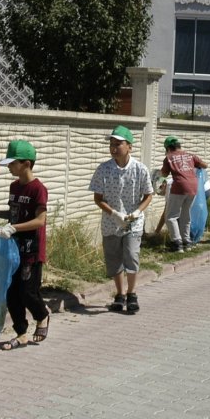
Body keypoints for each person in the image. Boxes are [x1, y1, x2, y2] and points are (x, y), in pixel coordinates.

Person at [0, 140, 50, 350]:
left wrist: (13, 228)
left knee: (28, 292)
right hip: (13, 249)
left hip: (32, 250)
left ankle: (42, 316)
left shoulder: (38, 189)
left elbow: (40, 220)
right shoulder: (14, 187)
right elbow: (14, 214)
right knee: (12, 292)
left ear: (26, 164)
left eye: (13, 163)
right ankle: (21, 333)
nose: (9, 167)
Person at [89, 125, 153, 313]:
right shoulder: (103, 169)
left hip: (133, 222)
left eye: (118, 144)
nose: (114, 148)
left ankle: (132, 293)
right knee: (114, 258)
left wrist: (138, 212)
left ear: (129, 147)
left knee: (131, 255)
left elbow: (148, 194)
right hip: (111, 222)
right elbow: (98, 198)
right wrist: (114, 214)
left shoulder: (140, 169)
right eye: (111, 144)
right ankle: (119, 294)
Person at [159, 136, 208, 253]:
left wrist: (158, 173)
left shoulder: (169, 158)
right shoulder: (190, 155)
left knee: (171, 217)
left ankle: (177, 243)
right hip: (193, 187)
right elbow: (205, 165)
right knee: (186, 215)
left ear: (168, 148)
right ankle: (187, 242)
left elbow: (164, 174)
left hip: (179, 187)